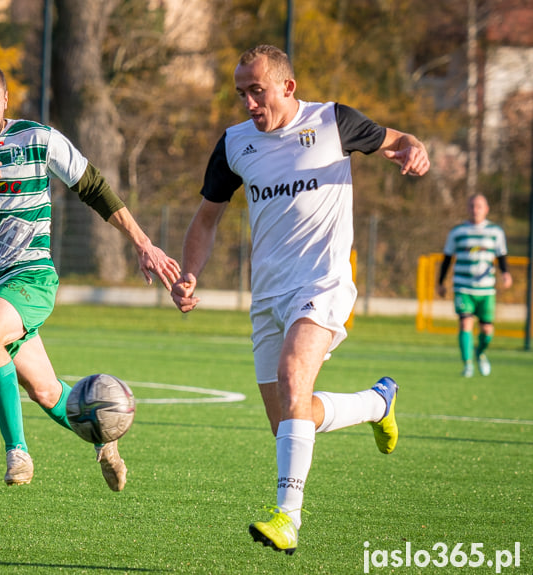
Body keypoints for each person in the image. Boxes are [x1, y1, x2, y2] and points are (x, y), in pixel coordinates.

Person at [170, 45, 431, 554]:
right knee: (289, 417)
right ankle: (378, 403)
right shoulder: (234, 144)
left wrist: (413, 147)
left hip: (323, 283)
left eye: (257, 90)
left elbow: (398, 139)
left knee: (294, 377)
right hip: (267, 295)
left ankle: (287, 518)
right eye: (241, 92)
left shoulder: (333, 122)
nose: (248, 102)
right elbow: (206, 219)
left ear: (287, 88)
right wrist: (189, 274)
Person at [0, 63, 180, 491]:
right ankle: (104, 440)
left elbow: (94, 187)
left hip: (29, 277)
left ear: (7, 99)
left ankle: (17, 451)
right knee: (47, 392)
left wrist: (143, 243)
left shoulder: (38, 139)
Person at [437, 193, 512, 377]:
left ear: (486, 209)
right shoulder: (457, 232)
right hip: (463, 286)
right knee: (465, 323)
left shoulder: (495, 232)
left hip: (486, 288)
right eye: (472, 206)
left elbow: (501, 256)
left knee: (487, 329)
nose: (475, 209)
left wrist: (505, 273)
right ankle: (468, 364)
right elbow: (447, 258)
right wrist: (440, 282)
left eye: (479, 206)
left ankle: (480, 353)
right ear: (467, 208)